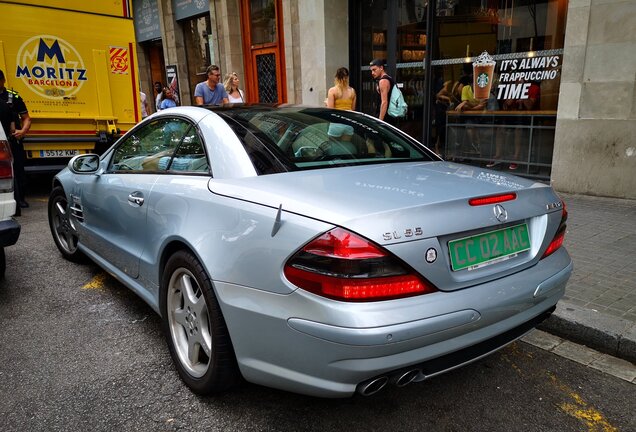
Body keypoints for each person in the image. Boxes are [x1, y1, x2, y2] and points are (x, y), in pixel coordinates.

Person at [0, 69, 31, 212]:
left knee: (17, 170)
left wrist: (22, 131)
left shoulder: (13, 97)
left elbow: (26, 118)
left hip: (12, 139)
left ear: (3, 80)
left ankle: (21, 199)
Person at [369, 59, 396, 124]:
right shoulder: (388, 78)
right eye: (371, 70)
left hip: (385, 117)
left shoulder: (383, 81)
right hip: (389, 116)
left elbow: (384, 102)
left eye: (374, 70)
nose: (372, 73)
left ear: (381, 68)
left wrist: (380, 121)